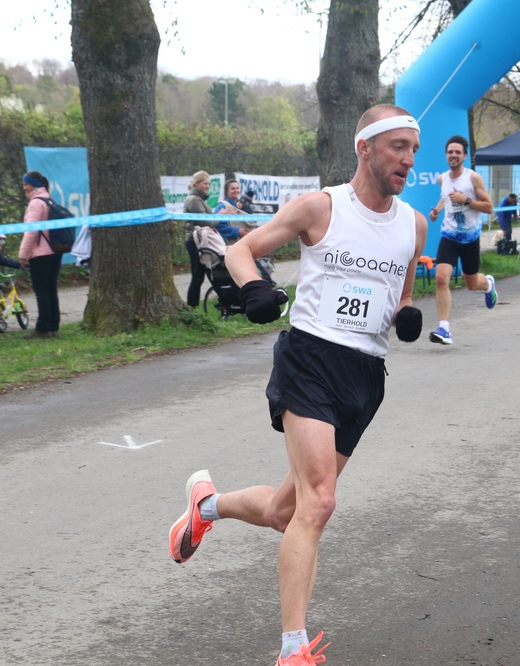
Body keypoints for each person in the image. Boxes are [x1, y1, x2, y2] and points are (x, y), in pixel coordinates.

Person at [168, 104, 427, 665]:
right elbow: (240, 250)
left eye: (413, 149)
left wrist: (406, 311)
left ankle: (207, 506)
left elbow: (403, 291)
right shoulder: (321, 207)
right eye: (397, 147)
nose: (408, 159)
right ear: (365, 148)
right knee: (321, 501)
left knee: (287, 512)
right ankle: (293, 650)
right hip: (310, 360)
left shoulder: (414, 223)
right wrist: (253, 289)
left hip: (366, 375)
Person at [426, 134, 498, 345]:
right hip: (448, 236)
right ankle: (444, 328)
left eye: (457, 152)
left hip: (470, 239)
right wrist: (437, 211)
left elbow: (489, 207)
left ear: (464, 156)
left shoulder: (473, 178)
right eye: (450, 152)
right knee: (441, 278)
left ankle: (488, 285)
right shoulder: (442, 178)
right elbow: (445, 197)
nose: (453, 155)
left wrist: (466, 200)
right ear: (446, 155)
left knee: (472, 283)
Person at [18, 171, 61, 339]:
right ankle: (53, 326)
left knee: (41, 291)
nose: (24, 188)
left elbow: (31, 232)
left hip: (40, 254)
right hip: (54, 252)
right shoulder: (49, 199)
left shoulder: (36, 203)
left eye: (26, 184)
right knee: (50, 289)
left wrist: (23, 255)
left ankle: (43, 328)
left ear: (34, 185)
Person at [182, 170, 224, 308]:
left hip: (199, 240)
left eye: (208, 184)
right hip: (195, 241)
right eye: (205, 184)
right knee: (198, 276)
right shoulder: (194, 200)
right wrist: (219, 216)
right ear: (196, 184)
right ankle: (192, 308)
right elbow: (206, 222)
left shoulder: (199, 199)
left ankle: (224, 301)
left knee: (205, 273)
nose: (207, 186)